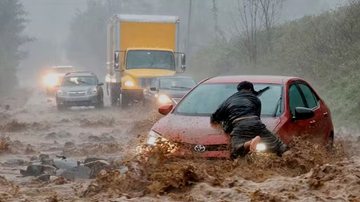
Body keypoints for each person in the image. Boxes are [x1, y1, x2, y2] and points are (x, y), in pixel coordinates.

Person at [210, 81, 288, 159]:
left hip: (239, 125)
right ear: (250, 89)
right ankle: (291, 158)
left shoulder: (228, 101)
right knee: (280, 145)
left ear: (239, 90)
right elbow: (257, 117)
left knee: (236, 151)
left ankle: (250, 143)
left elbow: (214, 118)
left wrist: (222, 129)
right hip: (256, 123)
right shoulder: (255, 99)